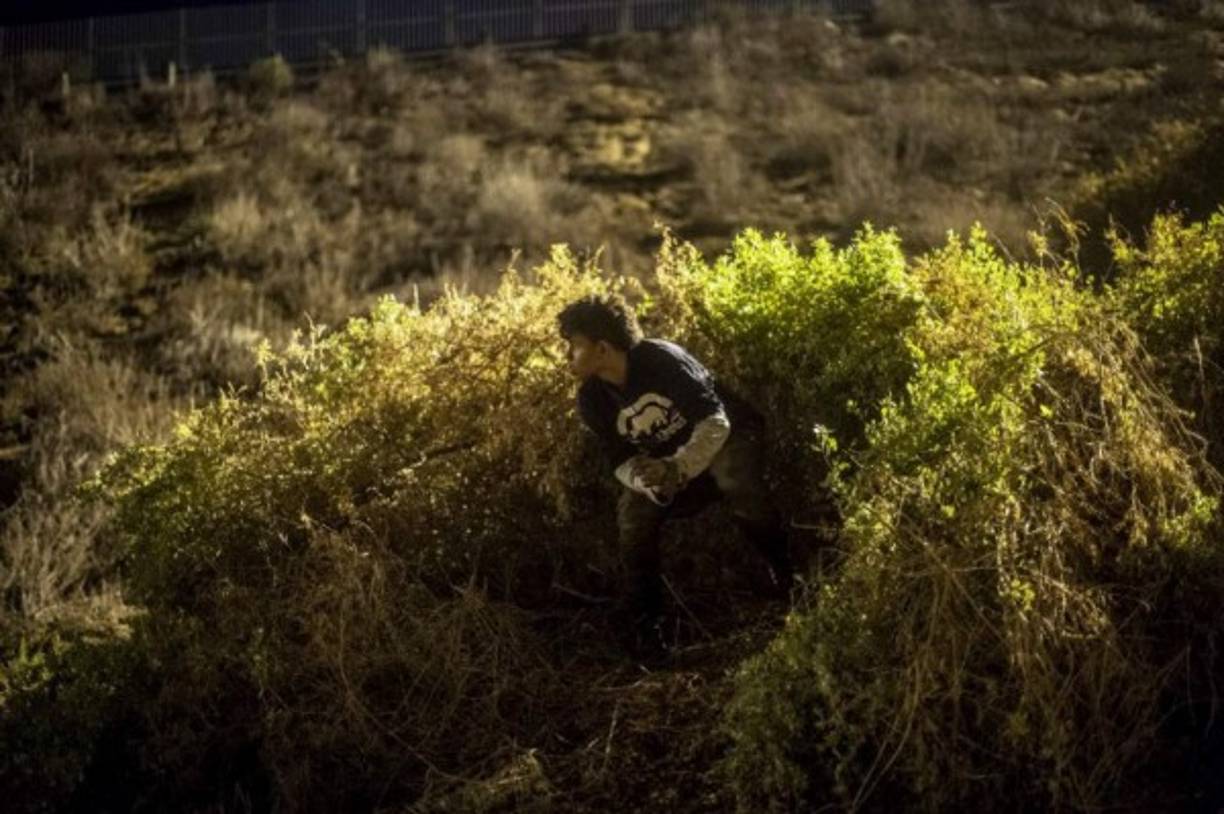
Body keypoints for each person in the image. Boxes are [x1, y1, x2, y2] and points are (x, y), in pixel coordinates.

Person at [557, 293, 794, 658]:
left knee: (733, 476)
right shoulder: (592, 399)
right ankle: (649, 630)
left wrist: (677, 468)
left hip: (728, 439)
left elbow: (716, 421)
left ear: (602, 348)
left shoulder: (661, 360)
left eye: (574, 346)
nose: (567, 355)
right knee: (633, 516)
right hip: (675, 468)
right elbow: (619, 460)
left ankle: (792, 578)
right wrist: (647, 481)